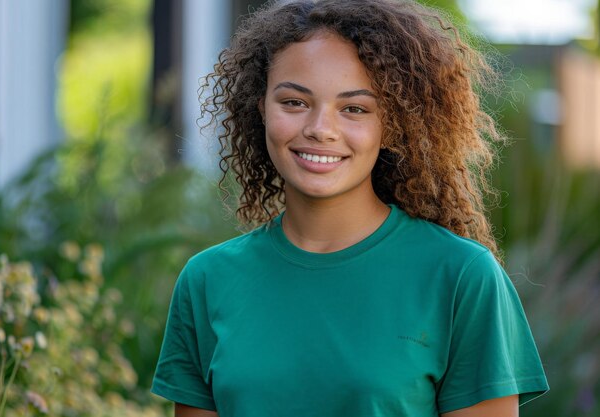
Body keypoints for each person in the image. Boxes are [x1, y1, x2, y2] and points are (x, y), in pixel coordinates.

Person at [151, 0, 549, 416]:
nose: (321, 129)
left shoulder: (461, 276)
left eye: (355, 109)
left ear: (392, 123)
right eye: (294, 102)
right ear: (260, 108)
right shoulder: (207, 281)